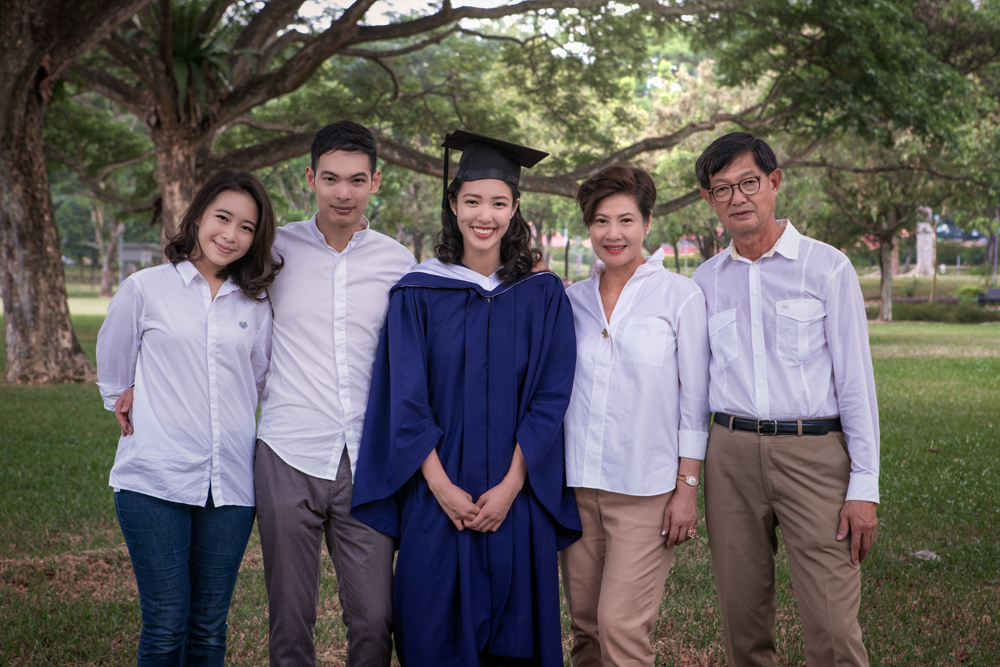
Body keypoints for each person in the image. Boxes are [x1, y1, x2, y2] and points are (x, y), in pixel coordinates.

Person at [351, 130, 582, 667]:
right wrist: (443, 489)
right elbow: (405, 399)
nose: (485, 215)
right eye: (473, 201)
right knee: (433, 632)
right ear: (453, 203)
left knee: (515, 639)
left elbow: (550, 397)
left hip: (516, 497)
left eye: (499, 203)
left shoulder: (542, 294)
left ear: (515, 208)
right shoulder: (417, 292)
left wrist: (511, 486)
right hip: (437, 494)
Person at [692, 132, 879, 667]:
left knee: (833, 628)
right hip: (730, 456)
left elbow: (857, 383)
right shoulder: (703, 282)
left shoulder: (828, 267)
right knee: (742, 621)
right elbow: (691, 388)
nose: (738, 197)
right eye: (723, 188)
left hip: (814, 455)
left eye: (749, 182)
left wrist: (864, 486)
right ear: (709, 199)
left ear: (774, 182)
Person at [96, 170, 282, 665]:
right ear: (198, 215)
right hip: (155, 479)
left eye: (247, 227)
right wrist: (123, 396)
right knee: (165, 624)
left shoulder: (255, 303)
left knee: (208, 627)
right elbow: (113, 371)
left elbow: (259, 381)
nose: (231, 234)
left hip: (232, 487)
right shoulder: (145, 288)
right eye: (223, 217)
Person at [252, 121, 416, 666]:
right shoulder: (273, 250)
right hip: (287, 450)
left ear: (375, 182)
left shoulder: (399, 263)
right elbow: (221, 317)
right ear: (310, 178)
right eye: (330, 179)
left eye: (356, 180)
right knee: (290, 616)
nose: (342, 193)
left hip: (368, 461)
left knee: (374, 619)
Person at [559, 166, 710, 666]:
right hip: (577, 487)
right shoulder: (571, 300)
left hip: (646, 490)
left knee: (620, 626)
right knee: (585, 628)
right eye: (601, 221)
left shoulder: (680, 296)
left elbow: (695, 402)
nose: (613, 233)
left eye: (625, 220)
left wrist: (687, 487)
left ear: (647, 223)